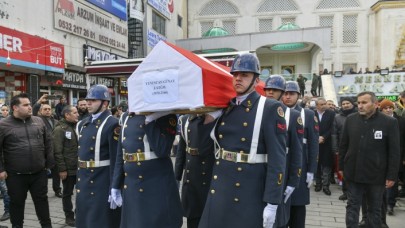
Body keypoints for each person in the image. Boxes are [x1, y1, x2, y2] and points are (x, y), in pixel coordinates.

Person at [198, 53, 287, 228]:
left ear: (256, 80)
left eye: (244, 75)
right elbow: (203, 145)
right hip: (221, 186)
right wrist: (208, 119)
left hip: (249, 189)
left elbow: (278, 159)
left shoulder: (270, 108)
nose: (238, 79)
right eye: (235, 74)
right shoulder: (226, 107)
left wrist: (272, 201)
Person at [111, 110, 183, 227]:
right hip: (131, 183)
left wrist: (149, 121)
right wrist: (115, 185)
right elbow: (121, 153)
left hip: (155, 183)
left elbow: (162, 150)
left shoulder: (165, 115)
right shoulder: (126, 116)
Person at [339, 91, 400, 228]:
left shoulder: (389, 122)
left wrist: (392, 175)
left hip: (376, 175)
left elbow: (394, 152)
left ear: (376, 104)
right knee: (352, 206)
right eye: (359, 103)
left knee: (374, 209)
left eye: (364, 103)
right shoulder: (351, 120)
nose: (360, 106)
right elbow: (343, 145)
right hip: (353, 172)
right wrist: (341, 167)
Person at [0, 93, 54, 228]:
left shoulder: (38, 121)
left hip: (39, 173)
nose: (30, 107)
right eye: (25, 105)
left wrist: (48, 164)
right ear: (15, 108)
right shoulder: (3, 125)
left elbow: (48, 143)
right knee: (17, 204)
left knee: (42, 203)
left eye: (30, 104)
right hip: (15, 175)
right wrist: (1, 169)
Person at [75, 85, 121, 228]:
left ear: (105, 103)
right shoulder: (82, 124)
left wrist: (115, 186)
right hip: (84, 178)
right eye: (88, 100)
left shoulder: (112, 124)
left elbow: (116, 159)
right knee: (84, 219)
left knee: (100, 221)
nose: (88, 103)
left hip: (101, 180)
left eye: (93, 100)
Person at [263, 75, 303, 228]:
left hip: (281, 171)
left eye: (274, 90)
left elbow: (297, 151)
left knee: (278, 218)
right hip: (261, 170)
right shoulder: (260, 111)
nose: (270, 93)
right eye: (268, 89)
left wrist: (293, 181)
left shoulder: (292, 116)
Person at [282, 81, 319, 228]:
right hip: (281, 163)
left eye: (291, 94)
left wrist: (312, 170)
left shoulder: (308, 114)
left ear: (298, 95)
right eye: (285, 93)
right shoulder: (276, 111)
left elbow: (314, 143)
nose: (288, 97)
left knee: (297, 205)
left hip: (300, 165)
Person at [174, 111, 221, 228]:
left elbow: (204, 147)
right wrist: (177, 176)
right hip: (191, 177)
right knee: (192, 218)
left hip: (210, 173)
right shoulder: (185, 120)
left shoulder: (216, 118)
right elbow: (182, 149)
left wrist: (209, 119)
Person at [53, 105, 79, 227]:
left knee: (81, 192)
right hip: (68, 169)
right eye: (74, 112)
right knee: (67, 193)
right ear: (67, 115)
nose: (77, 114)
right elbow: (57, 151)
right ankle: (69, 217)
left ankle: (79, 213)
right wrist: (62, 169)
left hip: (79, 167)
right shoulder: (60, 129)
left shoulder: (77, 126)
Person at [379, 99, 405, 216]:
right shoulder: (378, 121)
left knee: (392, 179)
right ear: (382, 109)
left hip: (398, 155)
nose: (388, 110)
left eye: (390, 107)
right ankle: (384, 203)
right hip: (381, 156)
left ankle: (390, 204)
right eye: (386, 108)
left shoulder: (401, 121)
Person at [331, 97, 357, 201]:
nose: (345, 105)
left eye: (348, 103)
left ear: (352, 104)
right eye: (343, 103)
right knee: (344, 170)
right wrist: (335, 148)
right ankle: (345, 192)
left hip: (356, 148)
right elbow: (334, 134)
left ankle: (355, 192)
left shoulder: (358, 115)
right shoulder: (337, 117)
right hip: (343, 148)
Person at [38, 104, 62, 198]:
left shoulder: (56, 121)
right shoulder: (38, 121)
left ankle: (57, 190)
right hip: (43, 151)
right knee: (43, 173)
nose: (48, 111)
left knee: (56, 172)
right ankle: (43, 192)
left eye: (49, 109)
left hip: (55, 150)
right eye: (45, 109)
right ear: (41, 111)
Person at [314, 97, 335, 195]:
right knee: (317, 164)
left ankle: (326, 186)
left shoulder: (331, 113)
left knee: (326, 165)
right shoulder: (312, 113)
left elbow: (332, 128)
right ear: (316, 105)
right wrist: (316, 137)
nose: (324, 106)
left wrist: (324, 137)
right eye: (321, 104)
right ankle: (318, 184)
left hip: (327, 143)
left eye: (325, 104)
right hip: (315, 142)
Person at [0, 105, 10, 222]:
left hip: (4, 162)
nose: (5, 112)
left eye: (6, 110)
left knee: (5, 188)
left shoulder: (7, 124)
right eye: (3, 110)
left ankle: (8, 210)